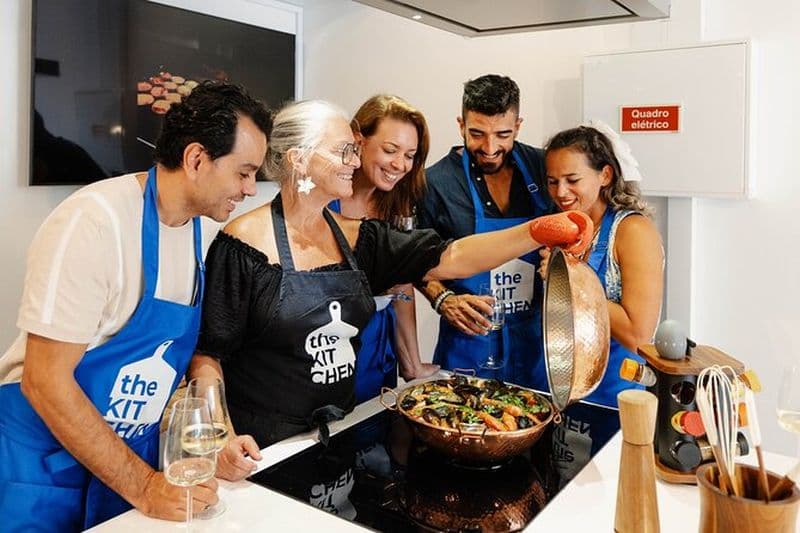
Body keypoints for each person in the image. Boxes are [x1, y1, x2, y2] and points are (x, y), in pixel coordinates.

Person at [189, 99, 587, 456]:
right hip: (264, 447)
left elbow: (453, 255)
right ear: (298, 159)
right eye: (343, 150)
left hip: (332, 435)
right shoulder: (242, 243)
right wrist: (219, 435)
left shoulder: (357, 237)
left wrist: (536, 230)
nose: (353, 160)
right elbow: (209, 353)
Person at [0, 81, 271, 531]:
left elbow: (180, 361)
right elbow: (45, 381)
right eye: (244, 172)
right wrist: (144, 485)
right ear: (197, 159)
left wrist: (210, 439)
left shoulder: (195, 232)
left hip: (119, 467)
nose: (250, 188)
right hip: (40, 471)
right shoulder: (92, 223)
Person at [416, 74, 555, 387]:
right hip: (468, 342)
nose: (490, 148)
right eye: (477, 133)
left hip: (537, 343)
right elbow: (414, 262)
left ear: (518, 126)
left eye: (503, 134)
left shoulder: (544, 167)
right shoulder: (435, 183)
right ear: (460, 124)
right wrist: (443, 299)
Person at [542, 121, 664, 406]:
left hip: (615, 395)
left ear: (605, 175)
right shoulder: (565, 228)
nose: (561, 192)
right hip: (558, 387)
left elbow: (638, 334)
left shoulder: (633, 231)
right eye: (552, 181)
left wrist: (570, 281)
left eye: (573, 180)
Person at [329, 95, 438, 402]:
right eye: (390, 150)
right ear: (358, 139)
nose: (399, 165)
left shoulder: (396, 204)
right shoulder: (325, 199)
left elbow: (402, 284)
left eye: (410, 155)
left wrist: (412, 363)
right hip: (329, 349)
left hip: (379, 346)